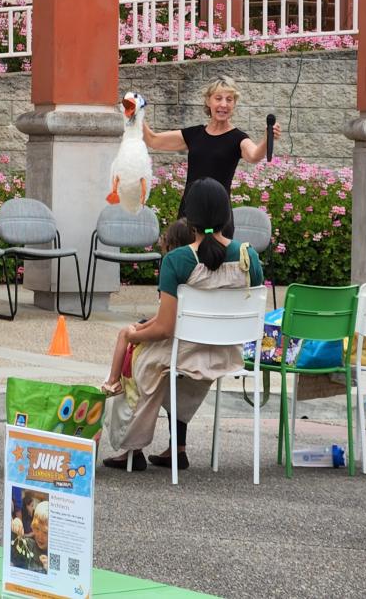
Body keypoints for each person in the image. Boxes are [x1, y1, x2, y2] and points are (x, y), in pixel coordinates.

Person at [102, 178, 263, 471]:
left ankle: (131, 449)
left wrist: (133, 334)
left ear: (191, 220)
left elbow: (164, 329)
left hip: (185, 353)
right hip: (227, 353)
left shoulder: (178, 260)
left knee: (138, 360)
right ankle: (178, 447)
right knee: (174, 375)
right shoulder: (247, 256)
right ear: (227, 215)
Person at [143, 76, 281, 216]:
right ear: (208, 101)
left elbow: (254, 156)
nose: (223, 104)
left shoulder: (238, 138)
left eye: (229, 99)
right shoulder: (194, 134)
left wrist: (267, 138)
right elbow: (153, 140)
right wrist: (135, 113)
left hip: (218, 217)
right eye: (218, 98)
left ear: (234, 104)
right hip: (189, 213)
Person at [100, 218, 196, 395]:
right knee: (135, 328)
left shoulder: (173, 267)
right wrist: (143, 325)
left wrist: (138, 331)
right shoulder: (197, 270)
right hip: (190, 336)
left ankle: (112, 383)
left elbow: (164, 321)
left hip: (171, 336)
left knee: (125, 334)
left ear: (171, 245)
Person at [9, 500, 49, 573]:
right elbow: (13, 552)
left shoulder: (57, 556)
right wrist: (16, 523)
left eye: (45, 532)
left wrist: (51, 571)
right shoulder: (29, 545)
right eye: (37, 529)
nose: (40, 536)